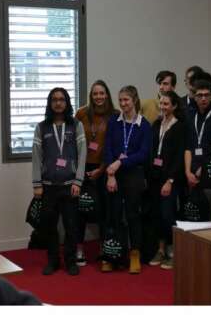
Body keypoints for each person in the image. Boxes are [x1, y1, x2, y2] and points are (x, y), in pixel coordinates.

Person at [32, 87, 87, 276]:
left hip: (70, 185)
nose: (58, 103)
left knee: (71, 226)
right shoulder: (42, 127)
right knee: (50, 226)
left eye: (61, 99)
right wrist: (37, 184)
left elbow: (82, 154)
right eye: (54, 99)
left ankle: (70, 261)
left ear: (67, 102)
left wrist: (78, 181)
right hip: (48, 187)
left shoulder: (76, 125)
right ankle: (53, 260)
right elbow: (36, 157)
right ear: (50, 103)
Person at [104, 86, 152, 274]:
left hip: (133, 173)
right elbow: (107, 148)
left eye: (126, 100)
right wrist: (111, 173)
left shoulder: (144, 124)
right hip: (113, 174)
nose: (123, 104)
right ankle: (112, 254)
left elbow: (143, 153)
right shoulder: (114, 122)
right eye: (121, 100)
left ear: (134, 100)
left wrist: (119, 164)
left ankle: (134, 254)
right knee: (113, 214)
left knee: (132, 215)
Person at [74, 80, 118, 266]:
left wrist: (102, 169)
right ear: (91, 96)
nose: (98, 97)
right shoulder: (81, 113)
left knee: (105, 210)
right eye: (95, 94)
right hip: (83, 168)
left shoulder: (115, 115)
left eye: (102, 93)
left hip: (105, 169)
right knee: (80, 210)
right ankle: (79, 249)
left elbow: (115, 144)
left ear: (107, 94)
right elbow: (74, 142)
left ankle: (103, 248)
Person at [149, 91, 187, 270]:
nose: (163, 107)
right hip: (154, 177)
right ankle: (161, 249)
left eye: (166, 104)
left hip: (170, 179)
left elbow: (179, 157)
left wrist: (170, 181)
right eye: (161, 104)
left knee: (168, 215)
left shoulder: (180, 127)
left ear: (174, 106)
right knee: (156, 214)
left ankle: (173, 251)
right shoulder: (156, 124)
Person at [184, 73, 211, 212]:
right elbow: (188, 146)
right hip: (192, 171)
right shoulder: (190, 114)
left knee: (210, 210)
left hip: (210, 171)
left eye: (206, 95)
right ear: (194, 97)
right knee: (193, 212)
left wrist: (204, 168)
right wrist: (188, 171)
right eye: (199, 95)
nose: (203, 98)